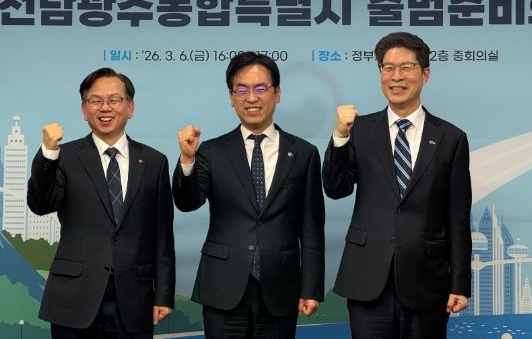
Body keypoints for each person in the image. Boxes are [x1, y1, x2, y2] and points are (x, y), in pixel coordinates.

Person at [322, 32, 471, 339]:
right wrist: (339, 136)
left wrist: (459, 283)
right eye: (388, 68)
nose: (396, 76)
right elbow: (336, 188)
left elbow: (457, 217)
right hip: (367, 278)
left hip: (427, 281)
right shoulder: (360, 130)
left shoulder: (450, 138)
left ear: (425, 74)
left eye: (406, 67)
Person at [173, 51, 325, 339]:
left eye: (260, 88)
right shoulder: (211, 151)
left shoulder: (304, 153)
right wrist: (187, 160)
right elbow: (187, 202)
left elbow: (312, 228)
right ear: (231, 97)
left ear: (277, 93)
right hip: (223, 287)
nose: (251, 98)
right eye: (241, 90)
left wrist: (311, 288)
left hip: (280, 288)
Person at [27, 67, 175, 339]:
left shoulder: (154, 162)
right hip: (74, 300)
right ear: (84, 110)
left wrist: (163, 295)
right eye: (95, 100)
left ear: (130, 107)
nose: (105, 107)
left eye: (114, 99)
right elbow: (41, 204)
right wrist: (48, 153)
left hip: (134, 299)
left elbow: (162, 235)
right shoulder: (65, 157)